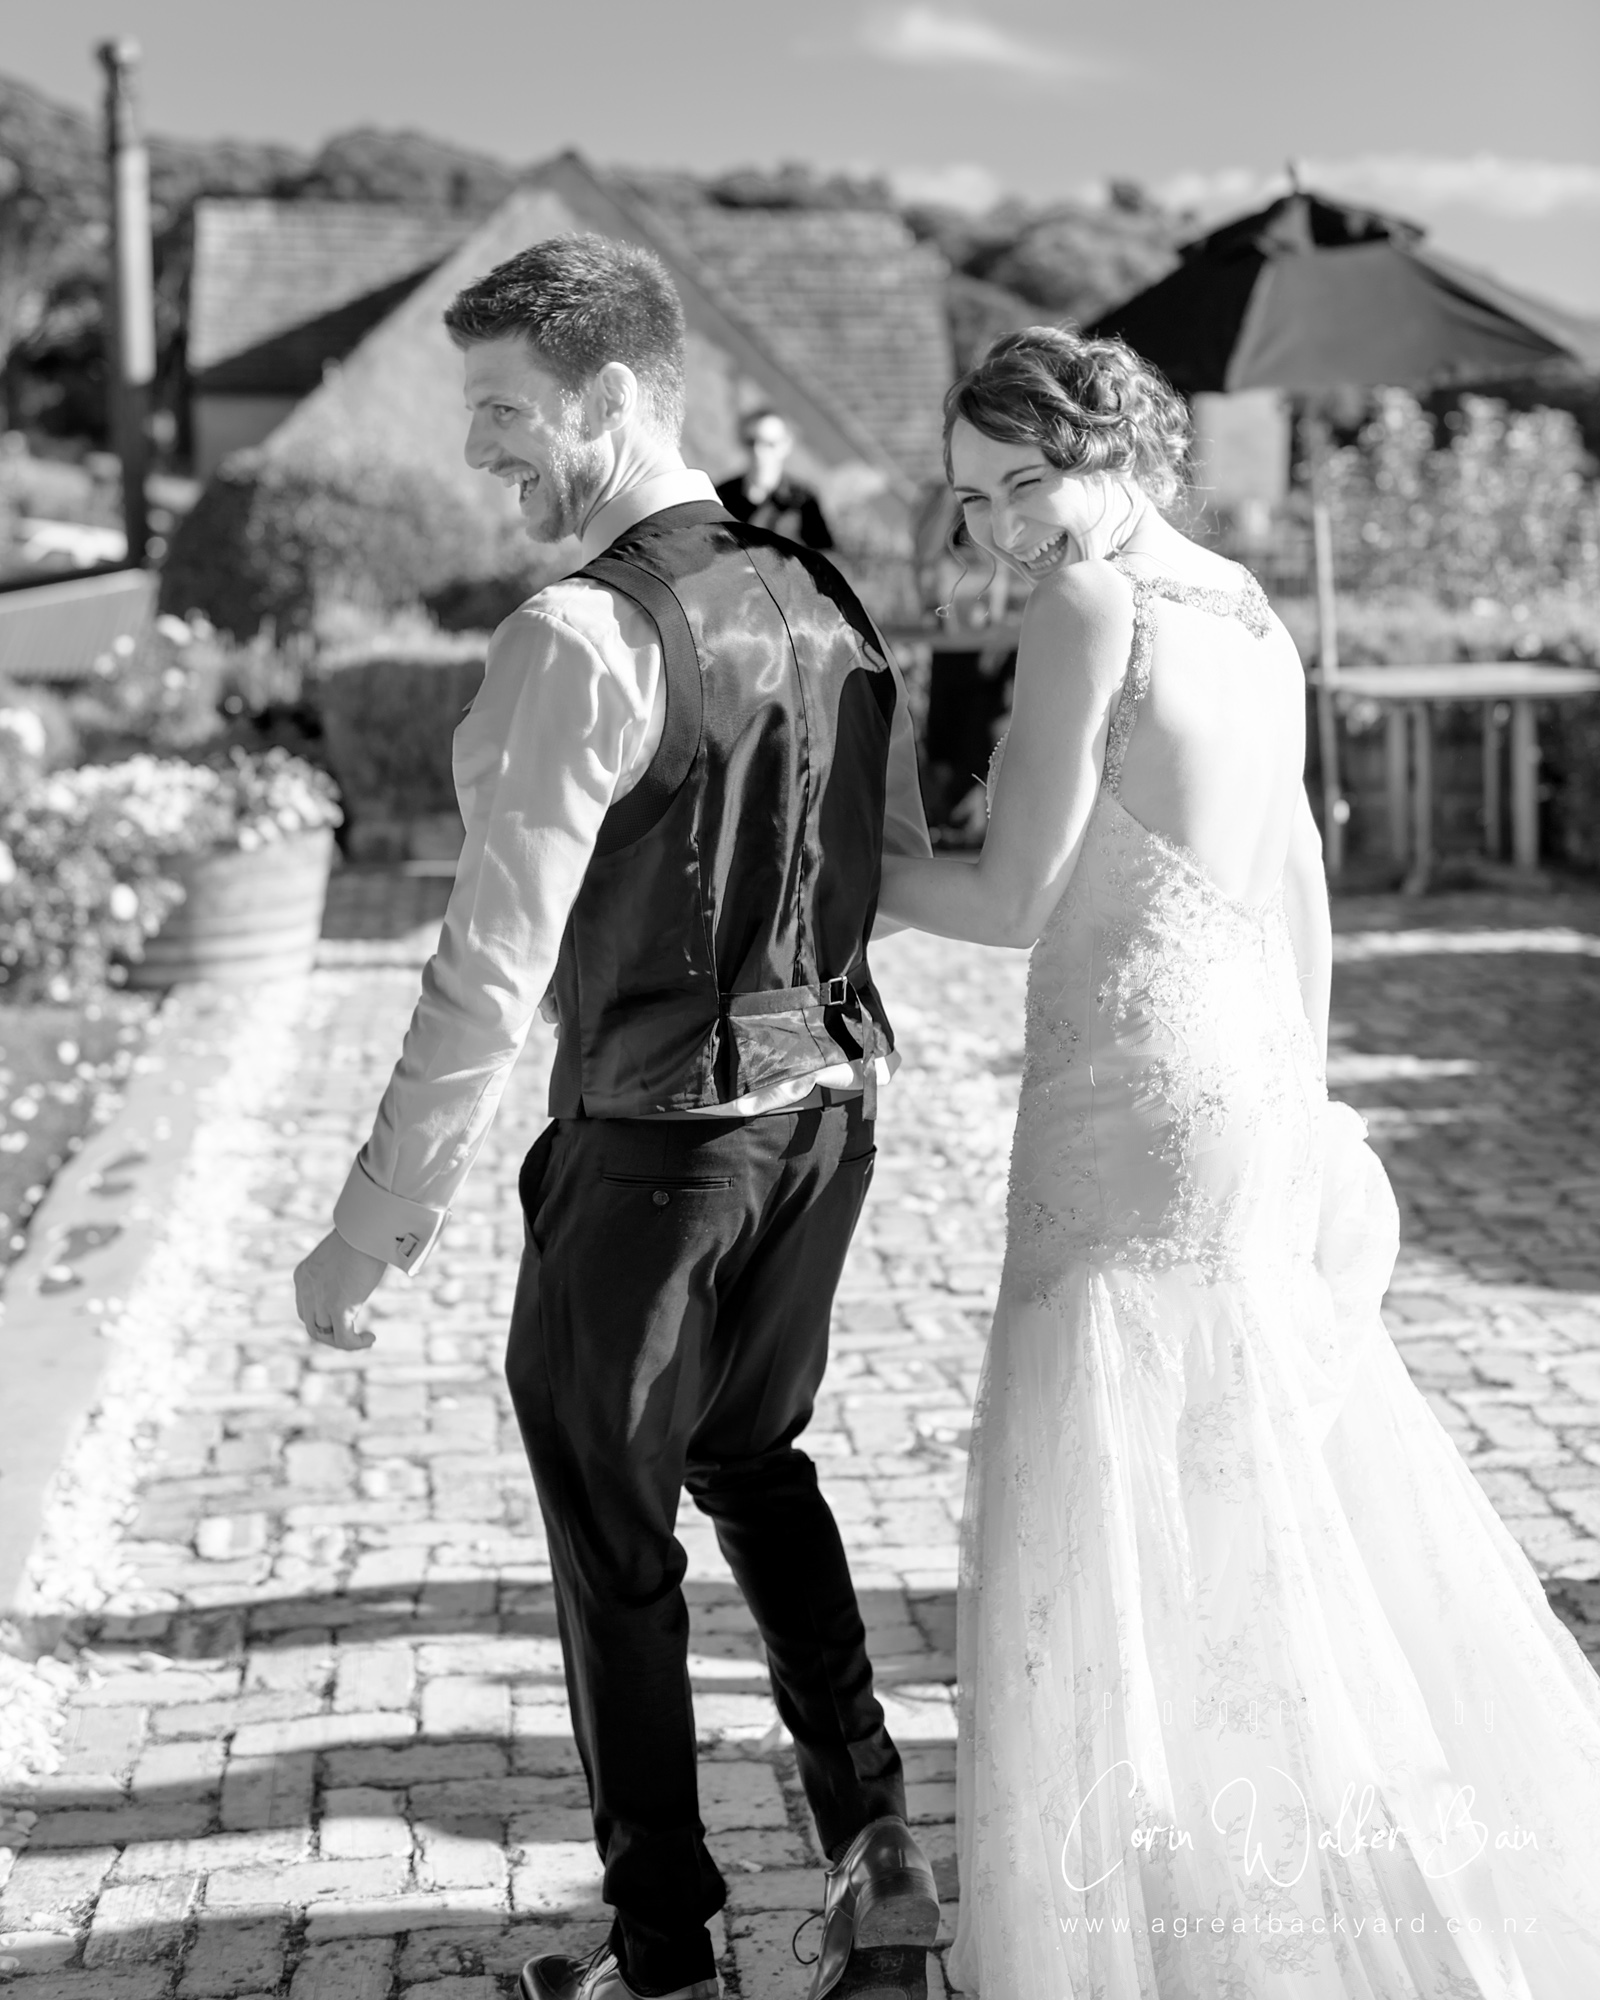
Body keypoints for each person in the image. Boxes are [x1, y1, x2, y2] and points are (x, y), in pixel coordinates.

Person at [876, 326, 1600, 1996]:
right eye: (973, 500)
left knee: (1129, 1484)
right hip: (1250, 1071)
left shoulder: (1092, 607)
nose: (1002, 531)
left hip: (1130, 1094)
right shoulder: (1252, 613)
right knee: (1247, 1477)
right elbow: (1299, 883)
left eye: (1025, 481)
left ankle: (1177, 1918)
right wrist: (1319, 1098)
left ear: (1118, 450)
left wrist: (831, 866)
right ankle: (1281, 1875)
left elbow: (1008, 903)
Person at [292, 234, 939, 2000]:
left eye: (507, 412)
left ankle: (665, 1954)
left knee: (614, 1533)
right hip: (826, 1122)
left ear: (621, 400)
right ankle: (877, 1856)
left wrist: (374, 1218)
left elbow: (487, 976)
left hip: (656, 1150)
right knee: (756, 1461)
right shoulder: (825, 596)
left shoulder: (577, 634)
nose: (483, 451)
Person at [714, 407, 834, 550]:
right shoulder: (722, 496)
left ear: (786, 445)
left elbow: (824, 556)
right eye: (751, 442)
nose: (758, 451)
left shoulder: (803, 501)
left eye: (769, 444)